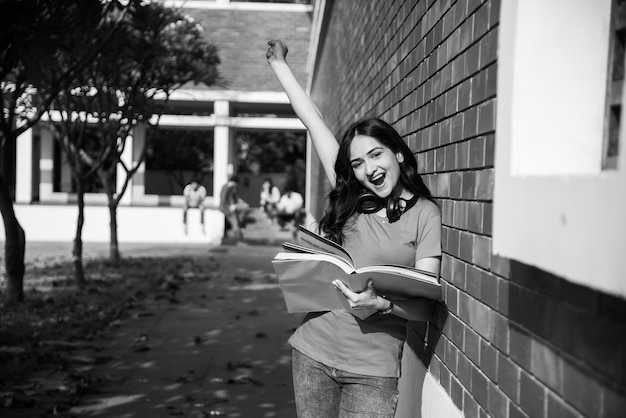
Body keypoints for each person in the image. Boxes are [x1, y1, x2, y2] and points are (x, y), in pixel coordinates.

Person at [267, 40, 442, 417]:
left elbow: (426, 306)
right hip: (313, 352)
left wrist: (384, 305)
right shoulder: (352, 199)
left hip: (373, 372)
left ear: (397, 152)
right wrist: (280, 64)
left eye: (376, 154)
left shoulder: (425, 215)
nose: (368, 169)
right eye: (358, 163)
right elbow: (313, 121)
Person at [219, 175, 249, 241]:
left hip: (233, 207)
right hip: (227, 209)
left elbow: (236, 198)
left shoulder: (232, 188)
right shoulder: (226, 188)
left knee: (245, 207)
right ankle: (236, 239)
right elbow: (223, 201)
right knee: (235, 225)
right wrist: (229, 210)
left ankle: (240, 223)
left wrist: (241, 202)